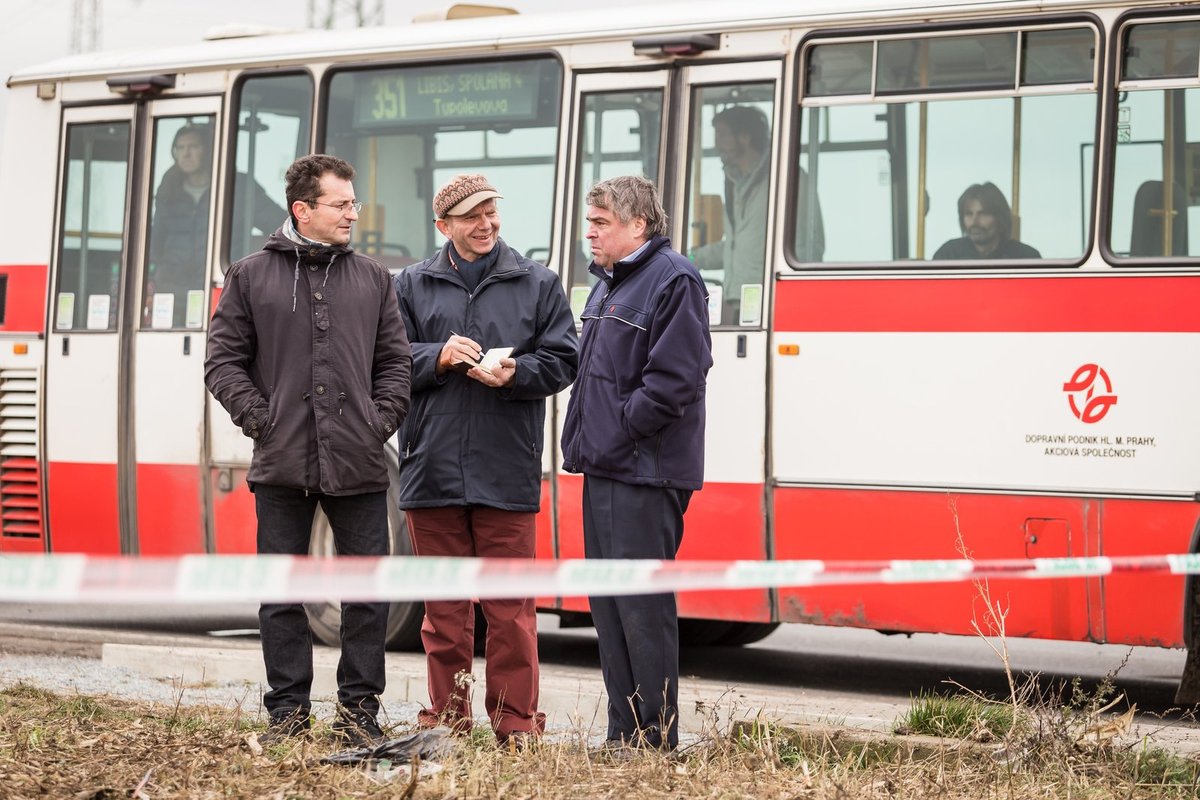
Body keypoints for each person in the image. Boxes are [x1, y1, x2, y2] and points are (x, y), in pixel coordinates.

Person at [204, 154, 412, 747]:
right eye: (341, 203)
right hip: (282, 462)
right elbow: (222, 362)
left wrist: (380, 421)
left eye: (354, 203)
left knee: (367, 596)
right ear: (303, 209)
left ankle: (359, 718)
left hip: (360, 461)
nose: (354, 213)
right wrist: (261, 421)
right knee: (283, 598)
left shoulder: (374, 278)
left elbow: (395, 362)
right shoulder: (249, 275)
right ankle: (287, 719)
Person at [392, 174, 578, 746]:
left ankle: (516, 727)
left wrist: (517, 373)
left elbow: (565, 359)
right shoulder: (411, 286)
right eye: (472, 215)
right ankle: (445, 723)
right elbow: (388, 360)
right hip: (431, 470)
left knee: (512, 613)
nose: (486, 224)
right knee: (444, 615)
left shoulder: (539, 283)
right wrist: (437, 357)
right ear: (443, 225)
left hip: (506, 470)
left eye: (492, 212)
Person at [561, 175, 713, 753]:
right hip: (605, 468)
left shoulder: (673, 279)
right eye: (590, 221)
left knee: (642, 609)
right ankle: (623, 734)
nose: (590, 232)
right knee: (609, 607)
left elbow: (676, 379)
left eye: (600, 222)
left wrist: (622, 428)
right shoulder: (607, 286)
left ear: (638, 226)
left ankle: (655, 738)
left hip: (644, 472)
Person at [691, 105, 823, 324]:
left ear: (744, 137)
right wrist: (690, 258)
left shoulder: (787, 179)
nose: (716, 144)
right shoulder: (735, 184)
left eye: (722, 134)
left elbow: (810, 244)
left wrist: (793, 299)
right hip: (738, 301)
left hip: (771, 302)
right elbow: (736, 247)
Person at [147, 123, 285, 326]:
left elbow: (279, 225)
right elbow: (155, 244)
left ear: (208, 149)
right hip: (171, 291)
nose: (186, 154)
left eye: (193, 147)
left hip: (222, 290)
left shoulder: (237, 187)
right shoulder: (168, 190)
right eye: (180, 148)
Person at [932, 181, 1041, 260]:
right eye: (969, 214)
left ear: (1000, 218)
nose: (974, 221)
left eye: (983, 214)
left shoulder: (1025, 257)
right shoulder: (948, 254)